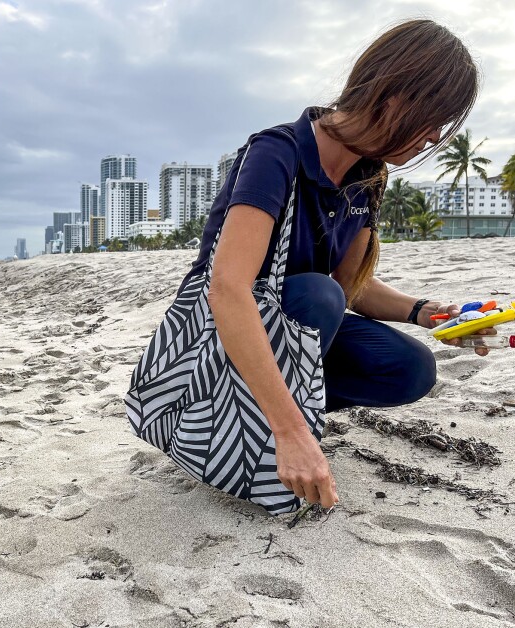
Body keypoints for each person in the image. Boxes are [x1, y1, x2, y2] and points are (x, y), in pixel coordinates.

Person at [181, 20, 493, 511]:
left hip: (297, 331)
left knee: (411, 368)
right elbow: (227, 288)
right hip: (214, 344)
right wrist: (291, 432)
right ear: (394, 97)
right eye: (433, 119)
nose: (434, 137)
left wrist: (429, 313)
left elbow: (353, 289)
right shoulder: (277, 152)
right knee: (315, 295)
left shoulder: (368, 175)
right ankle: (267, 427)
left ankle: (280, 423)